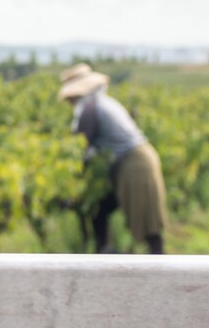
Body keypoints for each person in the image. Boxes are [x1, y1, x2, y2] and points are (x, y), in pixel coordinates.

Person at [58, 69, 166, 254]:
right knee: (101, 209)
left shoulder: (90, 110)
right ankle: (105, 254)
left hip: (135, 165)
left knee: (147, 222)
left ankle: (159, 265)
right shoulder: (102, 103)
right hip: (135, 161)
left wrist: (69, 187)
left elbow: (80, 148)